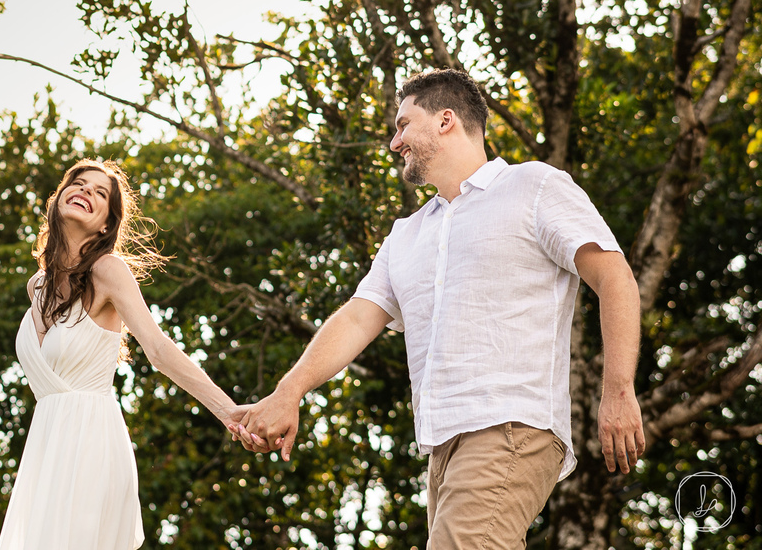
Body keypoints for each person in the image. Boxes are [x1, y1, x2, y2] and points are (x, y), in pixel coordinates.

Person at [231, 68, 645, 549]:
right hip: (442, 446)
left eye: (404, 124)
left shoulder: (534, 187)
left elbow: (614, 277)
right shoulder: (406, 234)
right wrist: (289, 391)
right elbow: (356, 317)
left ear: (446, 119)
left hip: (509, 425)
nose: (394, 141)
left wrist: (618, 390)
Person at [0, 159, 241, 550]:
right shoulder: (37, 286)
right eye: (78, 183)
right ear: (59, 197)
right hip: (47, 443)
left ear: (107, 224)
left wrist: (229, 412)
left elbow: (159, 349)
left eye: (99, 193)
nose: (84, 192)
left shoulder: (108, 270)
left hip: (91, 441)